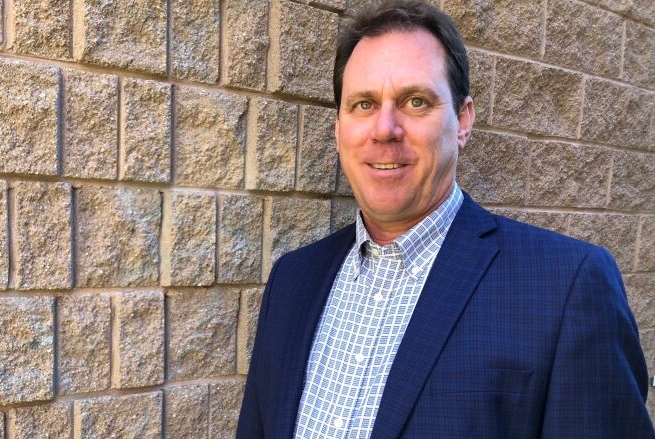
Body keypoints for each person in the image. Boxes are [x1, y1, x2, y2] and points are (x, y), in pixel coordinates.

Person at [236, 1, 655, 437]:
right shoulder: (291, 281)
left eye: (415, 101)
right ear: (340, 129)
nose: (384, 129)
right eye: (362, 104)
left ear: (463, 121)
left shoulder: (566, 288)